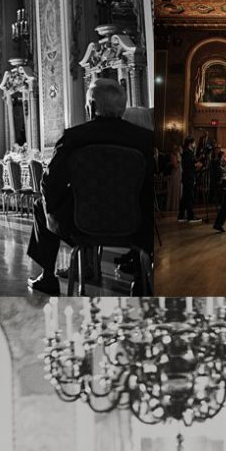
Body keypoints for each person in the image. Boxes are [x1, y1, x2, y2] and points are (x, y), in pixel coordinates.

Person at [25, 77, 153, 295]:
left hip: (79, 223)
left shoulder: (74, 137)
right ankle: (141, 278)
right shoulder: (145, 139)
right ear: (122, 108)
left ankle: (47, 276)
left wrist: (55, 209)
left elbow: (49, 183)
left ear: (91, 107)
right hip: (136, 224)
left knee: (40, 205)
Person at [178, 136, 203, 224]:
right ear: (190, 143)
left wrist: (195, 164)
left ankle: (181, 216)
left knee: (185, 197)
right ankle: (190, 217)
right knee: (189, 197)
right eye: (194, 143)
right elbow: (188, 165)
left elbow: (190, 164)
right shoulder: (187, 152)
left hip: (187, 177)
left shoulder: (187, 152)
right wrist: (197, 165)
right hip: (189, 177)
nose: (195, 144)